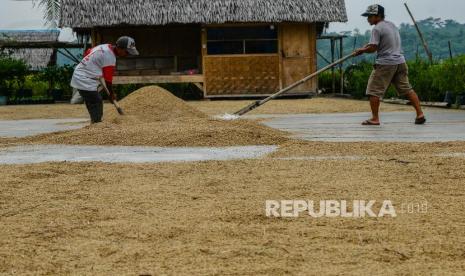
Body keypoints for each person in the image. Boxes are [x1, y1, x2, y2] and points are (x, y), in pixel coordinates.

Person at [354, 4, 426, 125]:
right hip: (400, 62)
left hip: (386, 64)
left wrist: (362, 51)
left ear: (378, 16)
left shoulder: (376, 28)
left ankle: (375, 118)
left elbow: (373, 47)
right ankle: (420, 114)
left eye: (370, 16)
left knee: (373, 90)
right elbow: (374, 44)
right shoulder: (391, 25)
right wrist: (365, 47)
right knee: (407, 89)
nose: (368, 19)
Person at [70, 36, 139, 123]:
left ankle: (94, 121)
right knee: (96, 101)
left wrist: (93, 67)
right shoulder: (110, 57)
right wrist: (111, 95)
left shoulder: (105, 46)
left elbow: (87, 52)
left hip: (82, 74)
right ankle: (97, 124)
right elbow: (108, 81)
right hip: (83, 78)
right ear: (120, 48)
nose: (127, 55)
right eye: (127, 52)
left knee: (92, 100)